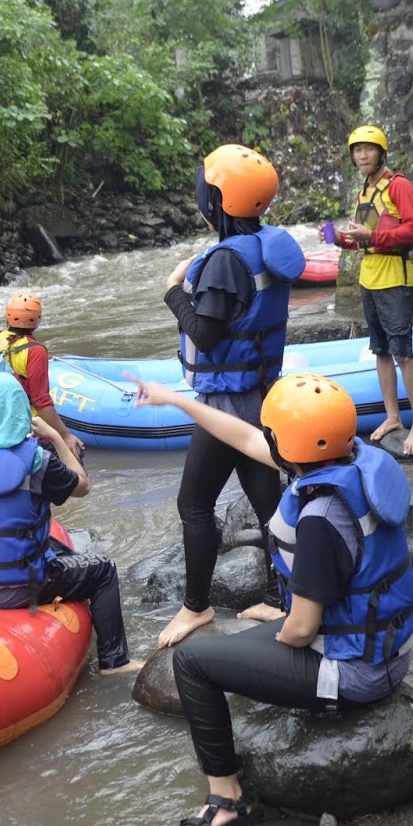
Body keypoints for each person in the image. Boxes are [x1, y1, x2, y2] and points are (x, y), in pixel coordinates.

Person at [126, 372, 413, 826]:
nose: (265, 439)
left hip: (354, 673)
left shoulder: (322, 517)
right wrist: (176, 400)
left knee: (193, 664)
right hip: (383, 649)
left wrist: (281, 636)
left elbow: (301, 630)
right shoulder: (352, 463)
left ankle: (228, 799)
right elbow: (240, 435)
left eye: (273, 434)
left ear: (289, 446)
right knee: (244, 647)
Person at [156, 144, 306, 647]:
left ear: (217, 200)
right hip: (263, 395)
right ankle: (282, 597)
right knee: (268, 503)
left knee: (194, 503)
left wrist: (174, 290)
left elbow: (208, 335)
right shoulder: (263, 243)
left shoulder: (223, 262)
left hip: (227, 402)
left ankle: (195, 608)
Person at [0, 371, 140, 675]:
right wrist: (56, 436)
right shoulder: (37, 459)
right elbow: (83, 487)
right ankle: (115, 663)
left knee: (53, 546)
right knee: (103, 569)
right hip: (21, 587)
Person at [333, 126, 413, 455]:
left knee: (402, 352)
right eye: (357, 150)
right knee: (381, 351)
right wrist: (338, 239)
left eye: (368, 149)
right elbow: (361, 237)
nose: (362, 155)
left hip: (395, 279)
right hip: (369, 278)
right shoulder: (366, 191)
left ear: (380, 153)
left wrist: (371, 238)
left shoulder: (398, 185)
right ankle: (393, 417)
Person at [0, 291, 84, 456]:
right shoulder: (35, 351)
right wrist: (65, 436)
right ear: (37, 320)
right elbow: (41, 400)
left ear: (8, 316)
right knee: (75, 467)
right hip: (29, 431)